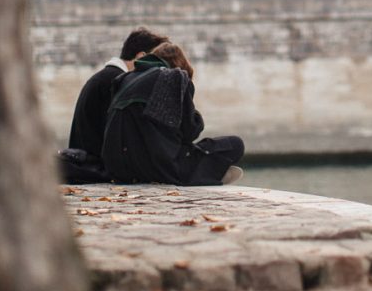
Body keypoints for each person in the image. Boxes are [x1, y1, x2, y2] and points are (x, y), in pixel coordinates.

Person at [101, 41, 244, 186]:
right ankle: (209, 174)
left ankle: (208, 173)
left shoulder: (124, 79)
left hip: (122, 171)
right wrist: (195, 115)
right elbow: (189, 131)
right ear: (181, 64)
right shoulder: (174, 76)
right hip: (162, 169)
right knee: (235, 144)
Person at [67, 27, 170, 160]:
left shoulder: (106, 77)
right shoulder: (118, 82)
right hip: (97, 166)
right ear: (141, 57)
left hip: (87, 162)